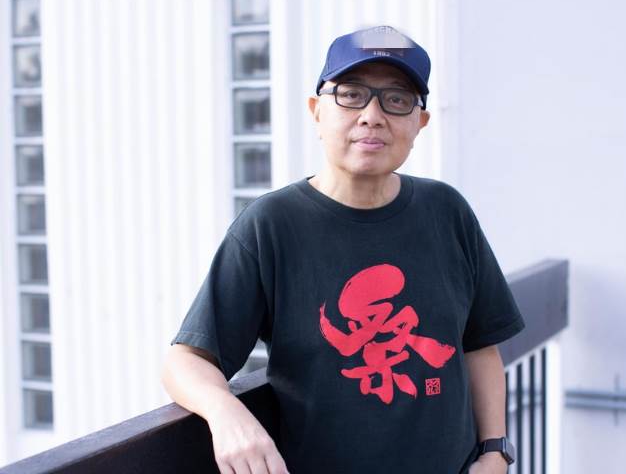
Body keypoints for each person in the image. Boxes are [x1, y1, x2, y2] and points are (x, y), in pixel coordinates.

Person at [161, 25, 525, 474]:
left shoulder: (447, 211)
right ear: (317, 112)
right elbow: (186, 359)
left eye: (396, 99)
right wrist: (227, 413)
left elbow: (479, 344)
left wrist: (494, 451)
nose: (372, 115)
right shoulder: (271, 225)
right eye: (351, 95)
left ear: (420, 123)